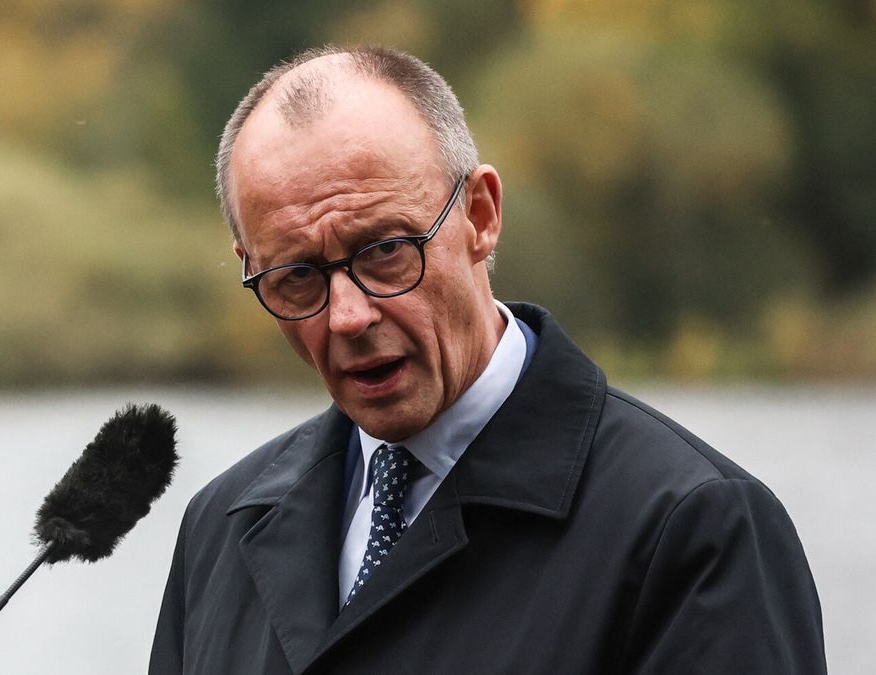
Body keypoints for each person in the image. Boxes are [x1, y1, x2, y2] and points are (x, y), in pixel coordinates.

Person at [149, 45, 826, 674]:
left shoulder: (693, 527)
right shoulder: (222, 525)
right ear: (250, 268)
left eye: (386, 250)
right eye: (296, 275)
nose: (348, 315)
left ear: (480, 213)